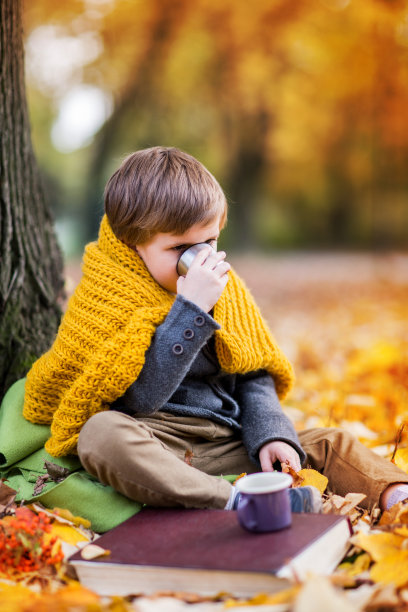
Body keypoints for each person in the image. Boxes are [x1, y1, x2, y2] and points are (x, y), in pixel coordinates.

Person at [23, 146, 408, 514]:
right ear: (132, 242)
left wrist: (270, 435)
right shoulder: (106, 292)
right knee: (100, 435)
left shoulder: (226, 286)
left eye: (209, 242)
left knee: (330, 441)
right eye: (180, 249)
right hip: (156, 442)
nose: (200, 258)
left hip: (224, 437)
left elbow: (253, 374)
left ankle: (396, 498)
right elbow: (140, 400)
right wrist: (190, 310)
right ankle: (232, 500)